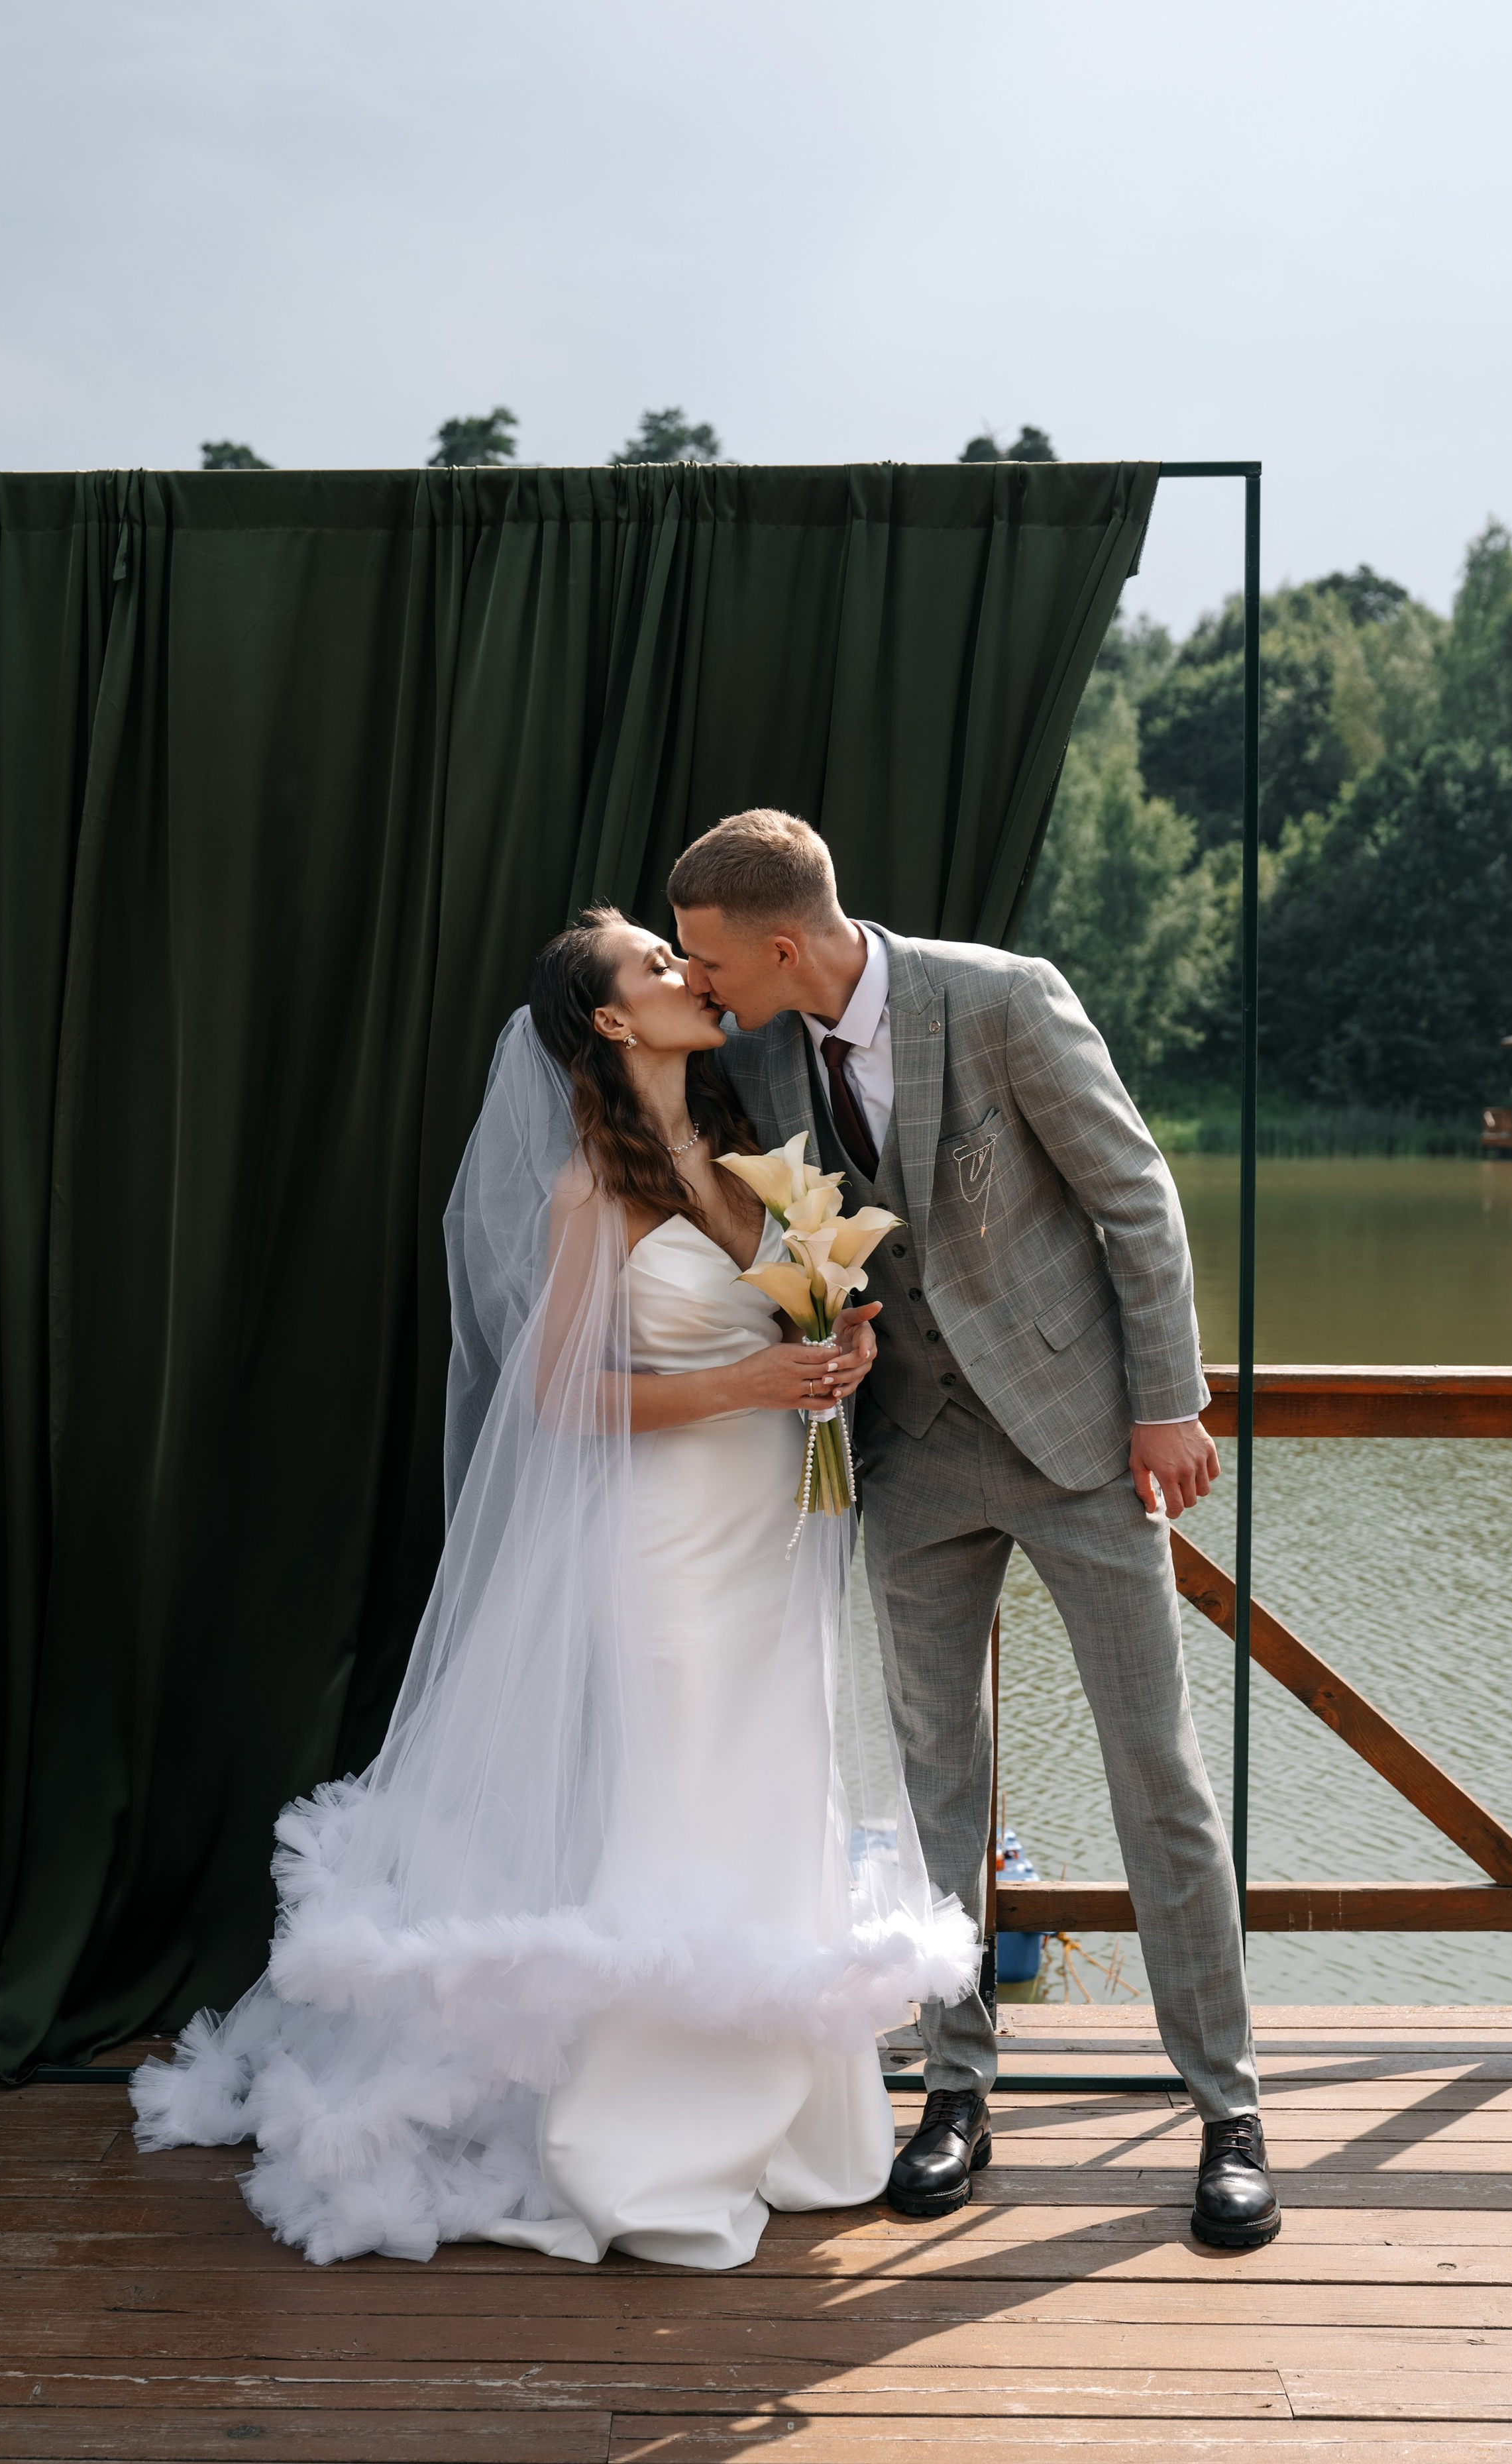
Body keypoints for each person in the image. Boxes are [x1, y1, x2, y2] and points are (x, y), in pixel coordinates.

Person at [131, 907, 976, 2271]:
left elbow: (796, 1329)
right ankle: (639, 2137)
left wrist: (834, 1353)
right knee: (674, 1807)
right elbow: (557, 1396)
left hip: (770, 1533)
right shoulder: (593, 1190)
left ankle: (786, 2125)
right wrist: (749, 1380)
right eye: (655, 965)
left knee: (765, 1798)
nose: (686, 977)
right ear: (604, 1021)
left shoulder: (749, 1167)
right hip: (662, 1546)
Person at [669, 808, 1281, 2251]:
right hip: (913, 1455)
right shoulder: (757, 1053)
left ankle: (1230, 2107)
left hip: (1078, 1444)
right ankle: (955, 2089)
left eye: (706, 960)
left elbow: (1134, 1199)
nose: (699, 985)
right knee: (940, 1785)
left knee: (1159, 1776)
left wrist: (1167, 1405)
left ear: (777, 941)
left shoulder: (1003, 995)